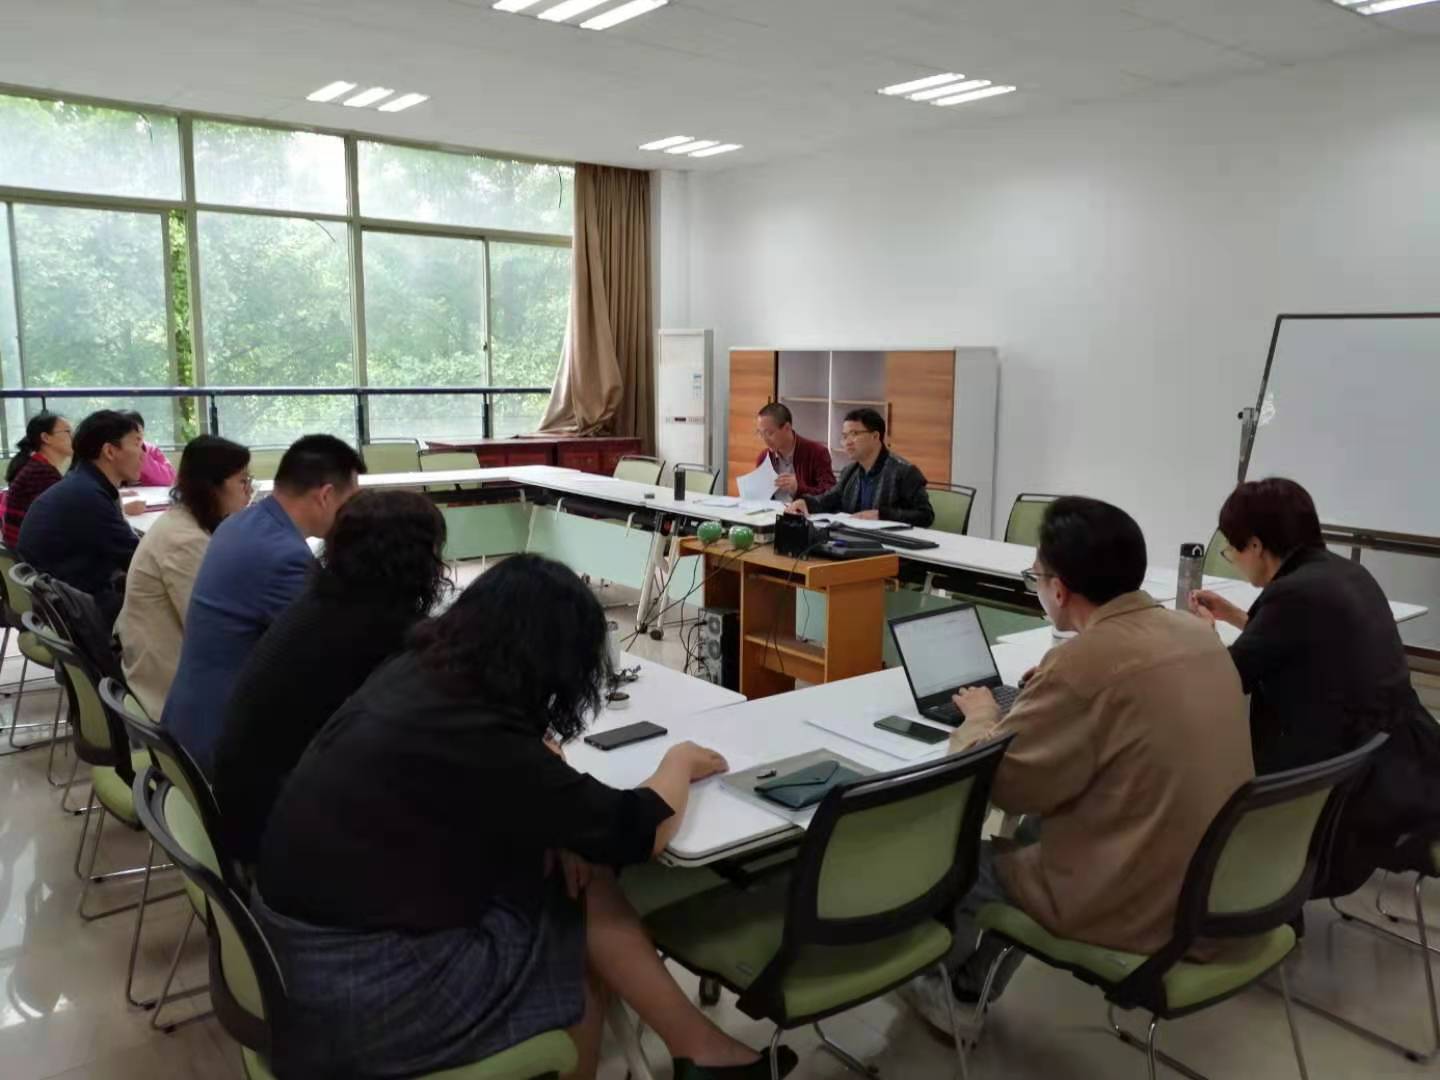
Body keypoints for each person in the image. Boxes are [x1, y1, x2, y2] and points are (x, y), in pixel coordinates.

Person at [252, 555, 798, 1080]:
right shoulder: (482, 736)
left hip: (291, 953)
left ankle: (702, 1049)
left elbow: (524, 767)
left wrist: (555, 825)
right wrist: (679, 762)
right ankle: (700, 1050)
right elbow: (639, 829)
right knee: (572, 941)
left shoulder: (422, 672)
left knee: (577, 875)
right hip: (359, 987)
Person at [902, 497, 1253, 1034]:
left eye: (1035, 577)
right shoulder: (1196, 634)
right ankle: (974, 983)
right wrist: (1053, 694)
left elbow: (1001, 785)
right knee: (1037, 833)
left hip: (1145, 900)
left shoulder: (1081, 663)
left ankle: (950, 997)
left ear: (1059, 589)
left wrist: (981, 717)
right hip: (1222, 884)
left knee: (959, 863)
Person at [1190, 477, 1440, 896]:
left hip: (1343, 785)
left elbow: (1227, 680)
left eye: (1232, 550)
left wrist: (1203, 636)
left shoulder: (1291, 595)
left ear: (1256, 545)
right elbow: (1298, 642)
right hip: (1401, 760)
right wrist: (1236, 617)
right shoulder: (1344, 573)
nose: (1234, 559)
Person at [213, 489, 449, 865]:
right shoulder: (378, 628)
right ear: (415, 560)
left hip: (245, 813)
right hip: (280, 839)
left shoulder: (323, 602)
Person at [162, 434, 363, 772]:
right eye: (352, 501)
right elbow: (332, 652)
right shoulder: (284, 556)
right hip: (223, 749)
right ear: (326, 496)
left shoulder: (240, 524)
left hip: (188, 727)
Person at [115, 436, 252, 718]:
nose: (249, 490)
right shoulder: (185, 541)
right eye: (243, 481)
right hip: (171, 690)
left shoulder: (182, 522)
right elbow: (209, 630)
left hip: (165, 664)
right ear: (212, 487)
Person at [17, 410, 143, 624]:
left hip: (57, 603)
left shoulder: (81, 484)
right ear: (110, 451)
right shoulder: (87, 496)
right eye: (137, 443)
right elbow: (140, 560)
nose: (144, 453)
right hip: (77, 614)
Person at [784, 407, 934, 526]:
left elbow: (925, 516)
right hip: (855, 540)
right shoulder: (850, 472)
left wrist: (882, 515)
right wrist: (805, 502)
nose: (848, 442)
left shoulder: (904, 472)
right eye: (844, 436)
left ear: (875, 436)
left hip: (892, 546)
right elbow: (828, 500)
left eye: (854, 434)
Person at [3, 411, 72, 548]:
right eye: (68, 432)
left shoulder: (38, 467)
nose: (73, 437)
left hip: (25, 546)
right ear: (46, 438)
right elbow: (62, 519)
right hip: (30, 551)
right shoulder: (41, 473)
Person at [753, 402, 835, 502]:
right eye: (760, 433)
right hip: (771, 511)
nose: (765, 439)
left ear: (787, 428)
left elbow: (830, 494)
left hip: (804, 510)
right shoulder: (764, 457)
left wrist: (799, 488)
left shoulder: (817, 453)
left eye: (769, 433)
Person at [121, 410, 177, 488]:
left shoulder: (152, 450)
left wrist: (144, 460)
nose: (137, 441)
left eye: (138, 437)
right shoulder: (115, 452)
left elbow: (171, 478)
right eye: (129, 437)